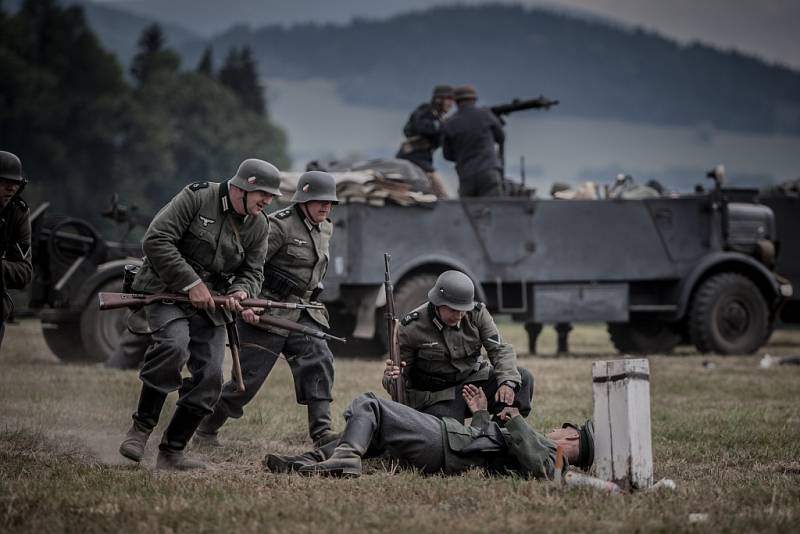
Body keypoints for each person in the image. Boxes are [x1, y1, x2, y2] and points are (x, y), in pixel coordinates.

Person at [118, 158, 278, 470]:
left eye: (271, 197)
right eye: (263, 194)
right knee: (173, 347)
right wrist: (190, 282)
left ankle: (172, 451)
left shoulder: (260, 225)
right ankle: (140, 429)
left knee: (211, 377)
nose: (267, 202)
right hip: (168, 291)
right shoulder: (196, 197)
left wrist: (241, 292)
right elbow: (156, 240)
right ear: (242, 187)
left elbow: (254, 271)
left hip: (212, 304)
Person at [196, 171, 340, 447]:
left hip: (304, 311)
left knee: (319, 361)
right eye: (319, 201)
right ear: (303, 201)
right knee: (245, 382)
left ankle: (322, 434)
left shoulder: (326, 228)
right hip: (265, 312)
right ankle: (205, 428)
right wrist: (247, 305)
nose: (326, 207)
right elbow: (248, 268)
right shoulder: (278, 226)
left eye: (330, 202)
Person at [264, 386, 594, 479]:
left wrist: (515, 419)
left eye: (559, 429)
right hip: (451, 442)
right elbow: (489, 445)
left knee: (370, 405)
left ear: (571, 437)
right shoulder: (541, 447)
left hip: (444, 444)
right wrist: (480, 412)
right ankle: (307, 462)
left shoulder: (555, 459)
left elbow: (540, 467)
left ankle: (347, 459)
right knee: (374, 431)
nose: (552, 430)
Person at [383, 270, 534, 423]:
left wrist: (507, 381)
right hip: (436, 398)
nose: (458, 315)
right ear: (438, 303)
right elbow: (398, 378)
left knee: (522, 379)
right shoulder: (412, 327)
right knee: (446, 430)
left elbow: (499, 350)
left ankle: (497, 436)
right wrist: (392, 378)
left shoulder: (477, 314)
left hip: (472, 384)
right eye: (453, 309)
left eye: (463, 309)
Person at [442, 85, 505, 197]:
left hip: (466, 176)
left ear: (456, 102)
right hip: (488, 171)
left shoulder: (449, 123)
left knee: (468, 213)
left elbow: (447, 155)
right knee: (494, 209)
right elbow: (500, 137)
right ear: (474, 99)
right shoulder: (485, 114)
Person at [395, 84, 454, 198]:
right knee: (441, 194)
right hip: (413, 158)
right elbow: (422, 127)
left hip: (422, 160)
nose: (451, 103)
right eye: (449, 99)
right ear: (438, 99)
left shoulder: (438, 117)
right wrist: (442, 125)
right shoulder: (425, 110)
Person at [0, 151, 33, 350]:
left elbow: (24, 272)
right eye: (4, 182)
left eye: (15, 183)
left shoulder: (17, 213)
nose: (11, 187)